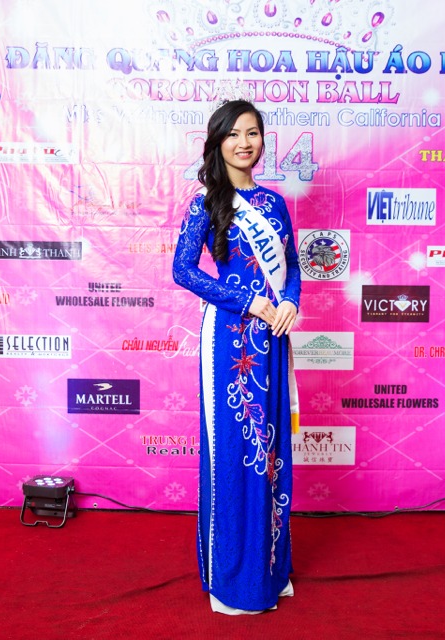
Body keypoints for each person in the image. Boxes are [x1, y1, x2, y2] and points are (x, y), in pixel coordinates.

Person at [172, 99, 301, 614]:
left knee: (268, 456)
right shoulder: (206, 202)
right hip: (227, 341)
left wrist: (290, 299)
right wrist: (248, 300)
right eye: (234, 134)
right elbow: (184, 271)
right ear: (218, 142)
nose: (245, 143)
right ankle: (230, 576)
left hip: (271, 340)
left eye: (254, 133)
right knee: (233, 454)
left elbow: (290, 265)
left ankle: (268, 569)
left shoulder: (274, 203)